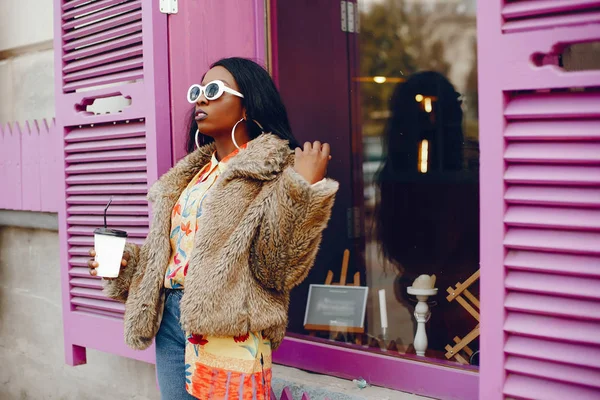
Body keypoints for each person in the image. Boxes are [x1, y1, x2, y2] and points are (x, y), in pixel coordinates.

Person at [87, 57, 338, 399]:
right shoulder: (192, 175)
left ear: (248, 105)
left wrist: (304, 190)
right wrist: (128, 265)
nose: (200, 100)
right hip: (171, 321)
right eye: (198, 91)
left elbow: (278, 268)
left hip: (229, 327)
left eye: (214, 90)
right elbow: (181, 252)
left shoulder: (275, 172)